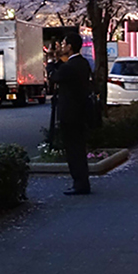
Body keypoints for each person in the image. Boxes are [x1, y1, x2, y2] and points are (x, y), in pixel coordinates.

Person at [49, 31, 93, 195]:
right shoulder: (82, 63)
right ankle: (82, 182)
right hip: (79, 112)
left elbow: (55, 77)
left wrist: (50, 63)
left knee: (73, 150)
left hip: (71, 113)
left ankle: (79, 184)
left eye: (64, 44)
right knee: (78, 148)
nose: (62, 46)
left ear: (71, 46)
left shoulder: (71, 66)